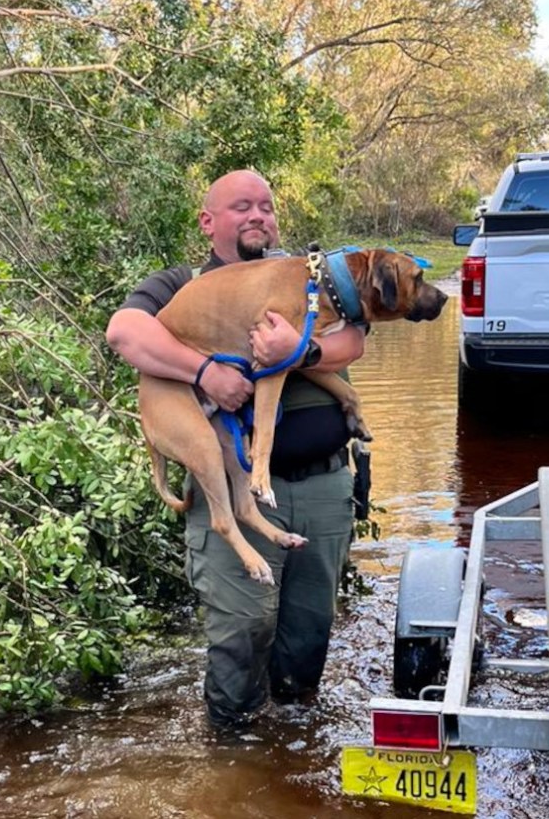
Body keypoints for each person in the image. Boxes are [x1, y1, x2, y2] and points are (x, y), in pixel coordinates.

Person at [105, 169, 366, 728]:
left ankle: (292, 766)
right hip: (232, 487)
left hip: (323, 488)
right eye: (241, 207)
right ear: (208, 223)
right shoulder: (182, 283)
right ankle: (233, 763)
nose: (258, 217)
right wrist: (206, 374)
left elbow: (354, 340)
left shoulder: (304, 276)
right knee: (241, 640)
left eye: (267, 207)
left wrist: (297, 350)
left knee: (308, 640)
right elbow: (125, 333)